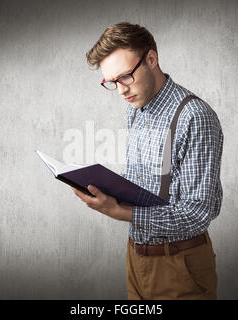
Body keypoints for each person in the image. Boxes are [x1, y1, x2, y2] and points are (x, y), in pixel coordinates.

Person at [71, 22, 223, 300]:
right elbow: (146, 184)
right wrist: (105, 188)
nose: (120, 91)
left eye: (125, 76)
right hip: (136, 256)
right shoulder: (136, 108)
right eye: (111, 82)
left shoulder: (195, 117)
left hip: (180, 264)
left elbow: (197, 213)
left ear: (151, 59)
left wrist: (120, 212)